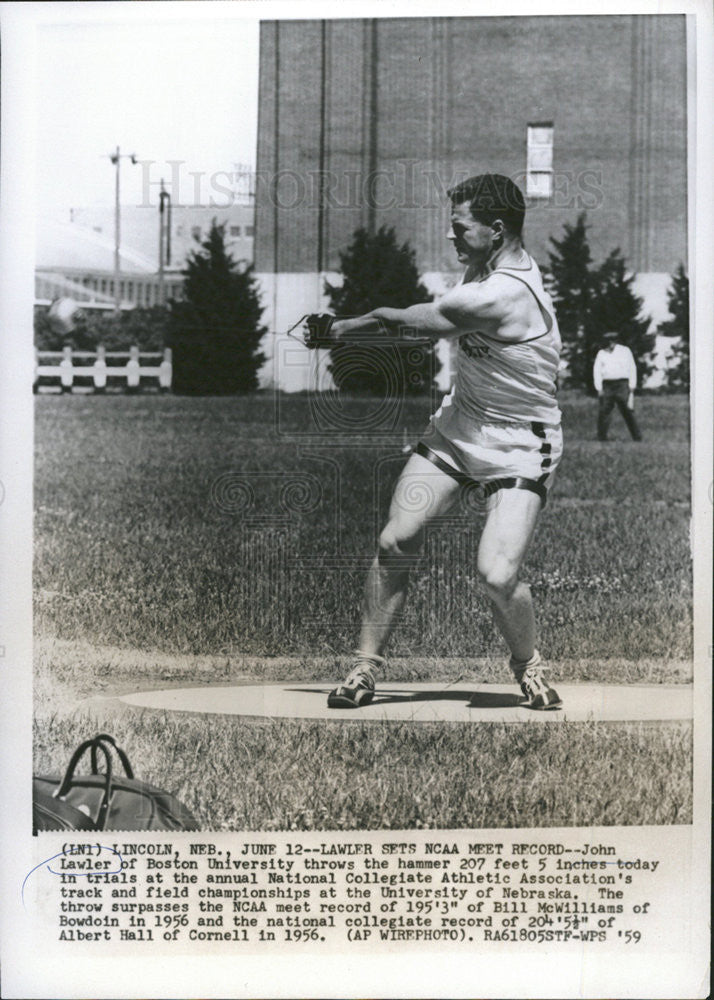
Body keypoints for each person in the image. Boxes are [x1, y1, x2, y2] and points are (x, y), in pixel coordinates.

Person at [306, 173, 563, 711]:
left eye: (458, 225)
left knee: (496, 574)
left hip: (520, 444)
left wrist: (343, 328)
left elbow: (408, 324)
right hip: (457, 429)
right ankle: (365, 666)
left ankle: (528, 666)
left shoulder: (502, 294)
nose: (450, 235)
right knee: (395, 540)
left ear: (495, 231)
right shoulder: (487, 264)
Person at [593, 332, 643, 441]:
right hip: (607, 385)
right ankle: (602, 438)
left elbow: (632, 368)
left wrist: (632, 385)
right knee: (604, 411)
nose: (609, 344)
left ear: (614, 341)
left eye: (611, 341)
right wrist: (599, 388)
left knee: (627, 410)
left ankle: (637, 437)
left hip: (622, 384)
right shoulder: (601, 353)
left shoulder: (625, 351)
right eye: (606, 342)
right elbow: (597, 371)